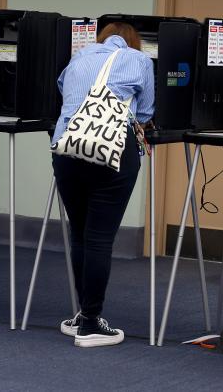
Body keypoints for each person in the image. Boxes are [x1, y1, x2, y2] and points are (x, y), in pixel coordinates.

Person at [52, 22, 154, 348]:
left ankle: (83, 315)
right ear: (132, 42)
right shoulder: (139, 61)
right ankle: (92, 324)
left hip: (67, 148)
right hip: (112, 149)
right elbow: (147, 112)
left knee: (80, 233)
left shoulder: (79, 56)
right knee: (99, 238)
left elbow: (63, 92)